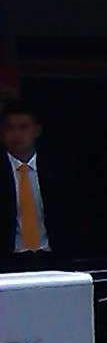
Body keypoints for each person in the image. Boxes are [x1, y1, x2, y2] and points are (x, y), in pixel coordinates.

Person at [4, 100, 80, 271]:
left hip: (53, 258)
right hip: (8, 262)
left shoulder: (57, 168)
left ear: (37, 130)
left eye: (23, 127)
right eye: (10, 128)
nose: (16, 134)